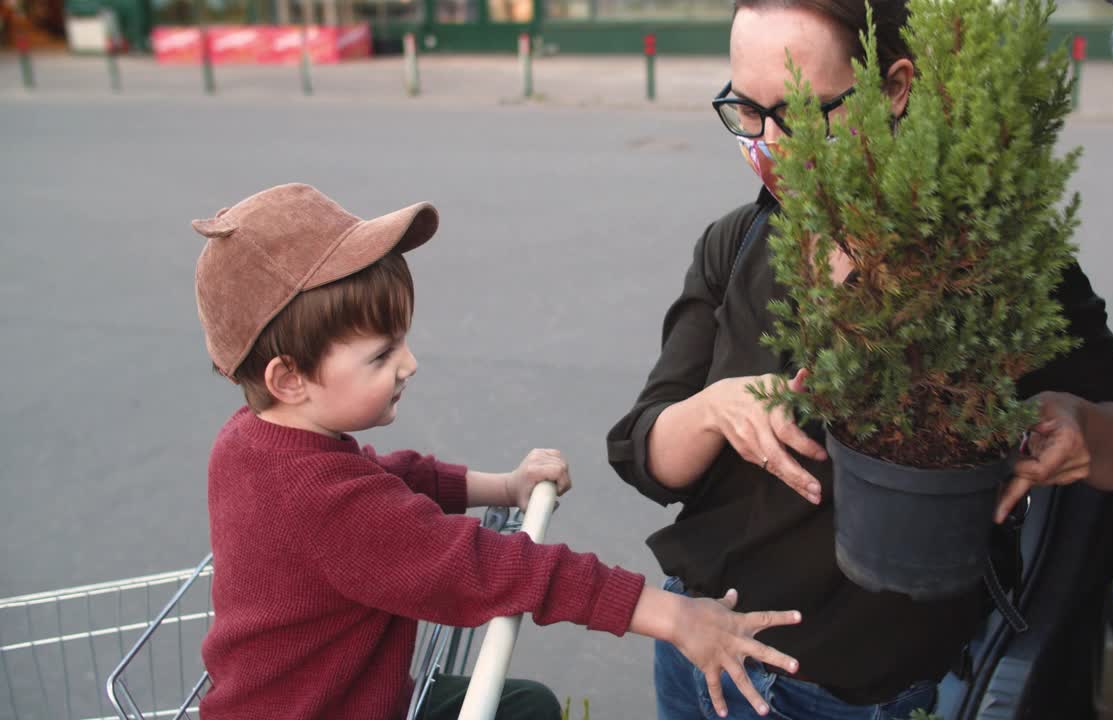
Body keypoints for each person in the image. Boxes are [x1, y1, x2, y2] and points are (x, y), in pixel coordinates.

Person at [606, 1, 1113, 718]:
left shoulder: (983, 266)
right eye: (746, 111)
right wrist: (714, 411)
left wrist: (1087, 428)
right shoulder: (737, 243)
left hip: (854, 696)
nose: (770, 142)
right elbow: (645, 450)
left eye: (804, 112)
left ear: (895, 88)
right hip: (698, 652)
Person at [192, 183, 803, 720]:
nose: (409, 364)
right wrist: (670, 617)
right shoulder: (323, 501)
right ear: (288, 378)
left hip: (332, 696)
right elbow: (482, 567)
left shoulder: (251, 441)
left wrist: (504, 486)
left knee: (523, 706)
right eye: (381, 355)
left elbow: (386, 478)